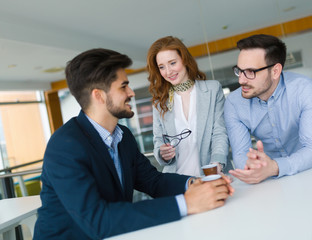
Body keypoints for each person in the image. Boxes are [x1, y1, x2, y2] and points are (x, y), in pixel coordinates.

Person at [34, 48, 233, 239]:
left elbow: (152, 181)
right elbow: (98, 221)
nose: (132, 92)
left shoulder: (123, 136)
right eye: (124, 86)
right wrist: (186, 203)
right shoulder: (65, 147)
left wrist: (194, 183)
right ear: (99, 95)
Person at [224, 34, 312, 184]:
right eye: (239, 70)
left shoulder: (303, 88)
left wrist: (275, 167)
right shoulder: (233, 103)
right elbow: (240, 155)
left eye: (251, 72)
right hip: (268, 174)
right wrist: (253, 165)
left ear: (275, 71)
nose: (241, 80)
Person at [147, 36, 229, 177]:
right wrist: (162, 153)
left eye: (172, 63)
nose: (168, 71)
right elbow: (158, 141)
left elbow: (219, 132)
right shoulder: (160, 102)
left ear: (184, 59)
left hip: (210, 175)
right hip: (176, 181)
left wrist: (216, 165)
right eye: (162, 67)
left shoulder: (212, 89)